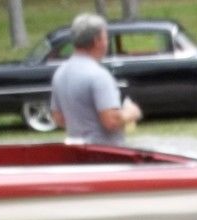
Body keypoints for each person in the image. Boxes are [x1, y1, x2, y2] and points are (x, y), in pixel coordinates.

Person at [49, 13, 140, 145]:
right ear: (97, 41)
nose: (107, 42)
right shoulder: (98, 75)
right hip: (102, 152)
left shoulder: (60, 73)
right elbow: (111, 121)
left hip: (74, 148)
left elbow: (58, 118)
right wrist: (131, 112)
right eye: (105, 37)